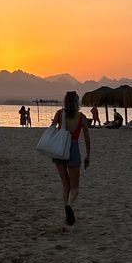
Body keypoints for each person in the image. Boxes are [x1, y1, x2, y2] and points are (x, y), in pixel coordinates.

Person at [50, 91, 91, 227]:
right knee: (75, 187)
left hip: (60, 149)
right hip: (73, 150)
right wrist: (88, 156)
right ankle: (69, 205)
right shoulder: (82, 117)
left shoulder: (59, 114)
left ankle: (66, 212)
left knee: (65, 184)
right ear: (77, 102)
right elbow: (87, 139)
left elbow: (51, 129)